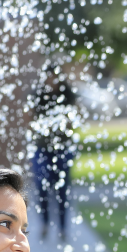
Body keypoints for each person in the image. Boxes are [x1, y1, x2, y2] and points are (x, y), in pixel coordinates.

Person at [30, 63, 80, 242]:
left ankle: (62, 227)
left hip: (62, 148)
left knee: (62, 189)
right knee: (42, 187)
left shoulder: (67, 95)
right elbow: (29, 118)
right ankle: (44, 223)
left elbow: (76, 116)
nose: (51, 81)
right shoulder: (38, 95)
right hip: (42, 148)